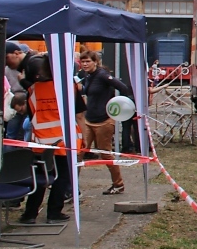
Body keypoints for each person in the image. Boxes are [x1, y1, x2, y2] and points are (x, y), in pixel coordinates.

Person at [19, 62, 72, 225]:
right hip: (62, 140)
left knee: (40, 178)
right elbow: (77, 111)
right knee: (61, 177)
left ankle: (30, 214)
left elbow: (31, 115)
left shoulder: (33, 89)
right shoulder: (67, 87)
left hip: (41, 141)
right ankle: (54, 213)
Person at [78, 50, 134, 195]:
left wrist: (117, 107)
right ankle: (71, 187)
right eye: (83, 62)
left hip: (103, 121)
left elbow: (123, 88)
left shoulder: (103, 75)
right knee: (79, 152)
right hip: (88, 120)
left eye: (88, 61)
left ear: (95, 62)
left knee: (105, 154)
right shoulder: (87, 76)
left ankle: (118, 184)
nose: (85, 64)